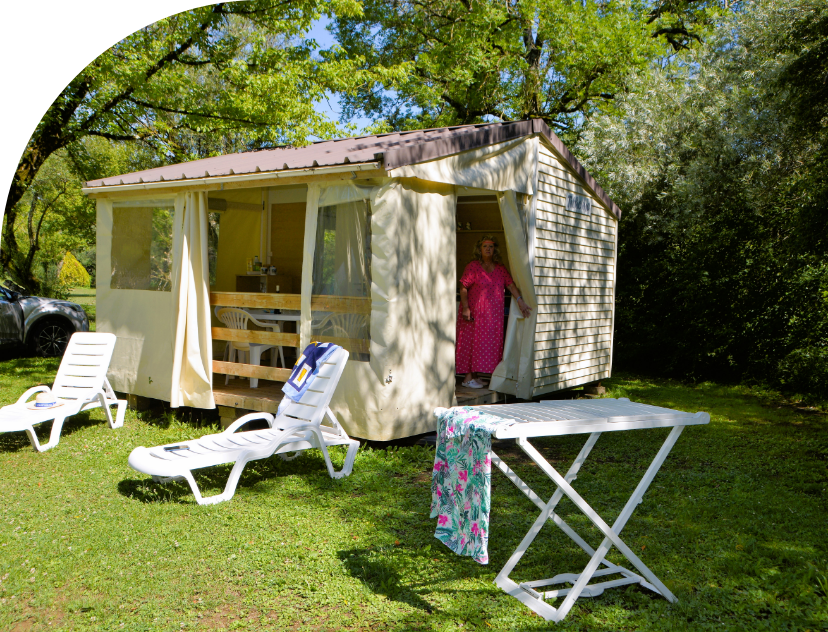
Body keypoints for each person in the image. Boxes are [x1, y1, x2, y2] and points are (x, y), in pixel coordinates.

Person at [457, 235, 532, 389]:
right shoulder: (473, 266)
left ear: (495, 249)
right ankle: (467, 378)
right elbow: (463, 286)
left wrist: (520, 301)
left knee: (484, 345)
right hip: (474, 312)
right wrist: (465, 307)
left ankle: (475, 376)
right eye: (485, 246)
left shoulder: (500, 268)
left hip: (492, 316)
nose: (488, 249)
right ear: (479, 249)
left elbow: (510, 285)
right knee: (470, 342)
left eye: (491, 246)